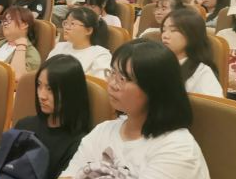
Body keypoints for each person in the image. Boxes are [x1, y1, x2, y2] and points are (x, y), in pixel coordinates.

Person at [60, 39, 210, 178]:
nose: (112, 84)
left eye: (122, 78)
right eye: (112, 73)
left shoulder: (177, 148)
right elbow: (69, 175)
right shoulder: (103, 130)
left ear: (155, 88)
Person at [0, 55, 92, 179]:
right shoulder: (26, 124)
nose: (41, 95)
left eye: (50, 89)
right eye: (39, 85)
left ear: (70, 92)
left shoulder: (79, 143)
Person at [158, 8, 224, 97]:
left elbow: (212, 105)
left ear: (192, 35)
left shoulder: (202, 72)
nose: (165, 36)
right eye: (164, 30)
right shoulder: (158, 63)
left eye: (173, 30)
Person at [48, 7, 113, 78]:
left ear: (88, 30)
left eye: (72, 24)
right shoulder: (59, 46)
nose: (66, 27)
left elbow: (100, 83)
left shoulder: (101, 55)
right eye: (66, 23)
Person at [0, 6, 41, 82]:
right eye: (4, 20)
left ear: (24, 25)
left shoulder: (32, 54)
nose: (4, 23)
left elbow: (17, 78)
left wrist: (21, 45)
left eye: (9, 20)